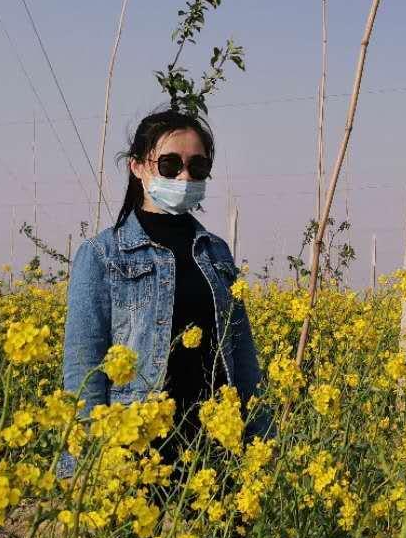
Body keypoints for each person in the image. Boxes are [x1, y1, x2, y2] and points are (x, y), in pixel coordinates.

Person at [59, 106, 268, 472]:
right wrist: (86, 462)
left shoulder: (216, 251)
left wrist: (262, 439)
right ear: (138, 166)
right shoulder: (101, 255)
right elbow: (83, 366)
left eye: (197, 167)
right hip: (137, 445)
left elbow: (242, 351)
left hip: (216, 443)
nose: (185, 176)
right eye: (170, 165)